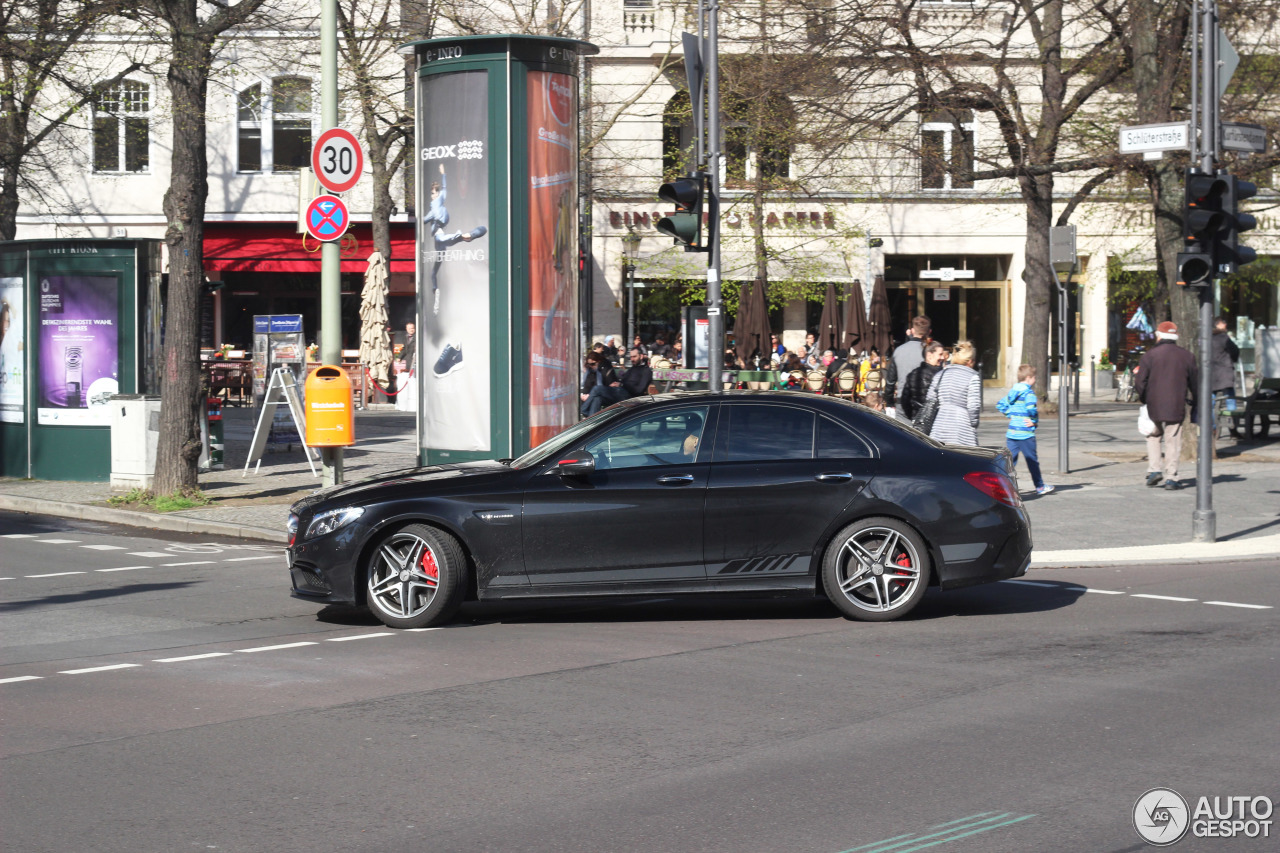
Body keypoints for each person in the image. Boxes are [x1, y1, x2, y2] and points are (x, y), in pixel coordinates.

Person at [1135, 320, 1197, 490]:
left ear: (1159, 335)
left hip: (1154, 403)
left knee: (1153, 435)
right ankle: (1172, 477)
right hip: (1176, 403)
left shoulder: (1150, 355)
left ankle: (1155, 469)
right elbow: (1195, 383)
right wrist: (1195, 402)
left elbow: (1140, 381)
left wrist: (1144, 398)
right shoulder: (1187, 356)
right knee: (1173, 439)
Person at [423, 164, 488, 315]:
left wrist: (444, 174)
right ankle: (435, 292)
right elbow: (444, 190)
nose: (432, 196)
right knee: (434, 271)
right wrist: (444, 174)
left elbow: (427, 216)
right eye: (432, 194)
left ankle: (464, 235)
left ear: (436, 194)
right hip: (439, 242)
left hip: (440, 236)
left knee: (448, 239)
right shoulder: (439, 202)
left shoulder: (435, 205)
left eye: (434, 193)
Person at [997, 364, 1053, 495]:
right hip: (1025, 434)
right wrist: (1034, 421)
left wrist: (1011, 415)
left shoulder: (1012, 392)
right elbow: (1031, 409)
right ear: (1028, 378)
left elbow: (1000, 405)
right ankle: (1039, 486)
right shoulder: (1029, 393)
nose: (1035, 380)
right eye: (1034, 378)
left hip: (1012, 433)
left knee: (1009, 463)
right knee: (1032, 461)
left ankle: (1001, 487)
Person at [926, 340, 981, 446]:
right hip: (962, 429)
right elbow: (973, 406)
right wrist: (973, 423)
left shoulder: (940, 374)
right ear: (969, 361)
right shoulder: (972, 377)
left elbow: (930, 398)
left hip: (939, 427)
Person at [581, 347, 653, 416]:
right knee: (597, 398)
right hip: (620, 393)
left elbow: (639, 390)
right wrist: (618, 383)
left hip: (630, 397)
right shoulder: (632, 369)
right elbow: (624, 382)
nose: (632, 359)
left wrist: (621, 385)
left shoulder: (646, 371)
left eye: (634, 357)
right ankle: (593, 422)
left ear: (641, 356)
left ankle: (583, 410)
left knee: (597, 389)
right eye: (631, 357)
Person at [886, 315, 932, 406]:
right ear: (929, 332)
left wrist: (889, 402)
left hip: (902, 401)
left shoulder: (899, 351)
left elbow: (890, 381)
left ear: (912, 331)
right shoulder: (930, 353)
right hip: (922, 403)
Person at [898, 341, 947, 421]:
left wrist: (914, 417)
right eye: (940, 354)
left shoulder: (912, 374)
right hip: (936, 422)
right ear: (929, 356)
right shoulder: (940, 376)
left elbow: (905, 401)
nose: (942, 358)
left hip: (918, 422)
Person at [1210, 316, 1239, 409]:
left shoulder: (1207, 338)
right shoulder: (1224, 337)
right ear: (1217, 325)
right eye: (1223, 322)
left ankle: (1211, 423)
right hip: (1225, 373)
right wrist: (1233, 359)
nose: (1226, 324)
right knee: (1230, 399)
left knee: (1211, 402)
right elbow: (1235, 351)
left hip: (1211, 373)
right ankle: (1234, 421)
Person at [579, 352, 619, 418]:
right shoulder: (590, 372)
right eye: (588, 364)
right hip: (595, 396)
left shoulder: (605, 369)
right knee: (596, 398)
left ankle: (585, 411)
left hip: (608, 395)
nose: (591, 366)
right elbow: (587, 385)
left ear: (599, 361)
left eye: (593, 364)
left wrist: (589, 395)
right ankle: (591, 421)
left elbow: (610, 386)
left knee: (597, 392)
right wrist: (584, 394)